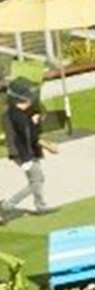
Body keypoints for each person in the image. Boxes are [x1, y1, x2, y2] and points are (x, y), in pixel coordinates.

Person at [1, 87, 56, 220]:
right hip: (24, 154)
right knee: (36, 181)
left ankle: (40, 205)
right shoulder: (21, 117)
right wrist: (49, 146)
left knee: (37, 179)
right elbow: (31, 137)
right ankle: (7, 205)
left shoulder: (11, 113)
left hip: (20, 152)